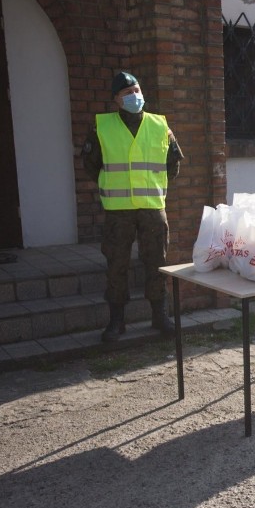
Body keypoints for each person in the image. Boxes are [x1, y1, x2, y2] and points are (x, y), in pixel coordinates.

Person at [82, 72, 184, 342]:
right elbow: (91, 166)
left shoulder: (160, 126)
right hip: (118, 210)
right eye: (127, 93)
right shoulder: (102, 127)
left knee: (157, 262)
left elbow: (173, 166)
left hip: (152, 207)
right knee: (116, 264)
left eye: (136, 90)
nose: (134, 96)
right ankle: (117, 321)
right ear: (116, 99)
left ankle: (160, 315)